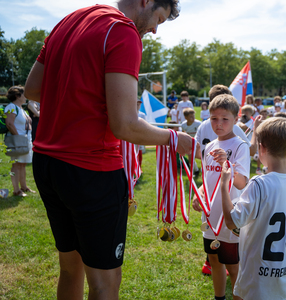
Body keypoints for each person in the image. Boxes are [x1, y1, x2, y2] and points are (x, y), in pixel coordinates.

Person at [24, 1, 194, 299]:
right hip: (91, 170)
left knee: (69, 269)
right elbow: (125, 125)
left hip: (48, 163)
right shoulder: (123, 31)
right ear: (145, 2)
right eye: (159, 19)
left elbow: (33, 88)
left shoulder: (68, 21)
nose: (154, 30)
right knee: (105, 283)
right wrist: (173, 138)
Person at [220, 117, 286, 300]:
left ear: (261, 148)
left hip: (258, 273)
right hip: (284, 269)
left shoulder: (259, 183)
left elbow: (232, 221)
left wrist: (225, 185)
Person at [192, 94, 250, 300]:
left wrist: (229, 165)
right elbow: (207, 179)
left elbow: (242, 183)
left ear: (236, 118)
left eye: (225, 118)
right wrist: (199, 194)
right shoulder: (208, 147)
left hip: (229, 218)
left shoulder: (240, 146)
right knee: (215, 262)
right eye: (214, 118)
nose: (219, 123)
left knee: (233, 268)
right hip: (210, 218)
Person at [5, 86, 35, 197]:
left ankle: (24, 187)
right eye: (24, 94)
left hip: (25, 139)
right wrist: (18, 137)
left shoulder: (21, 108)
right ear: (18, 95)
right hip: (18, 140)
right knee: (16, 165)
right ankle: (16, 190)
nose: (26, 97)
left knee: (22, 164)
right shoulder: (11, 107)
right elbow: (9, 123)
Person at [181, 108, 202, 176]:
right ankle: (196, 170)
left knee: (203, 156)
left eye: (193, 116)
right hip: (190, 142)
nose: (193, 118)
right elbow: (183, 133)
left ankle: (204, 169)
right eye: (190, 117)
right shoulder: (183, 125)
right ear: (186, 117)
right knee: (190, 158)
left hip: (199, 142)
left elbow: (203, 133)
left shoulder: (199, 123)